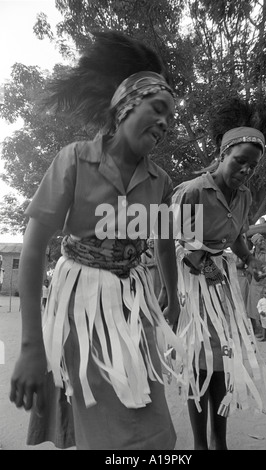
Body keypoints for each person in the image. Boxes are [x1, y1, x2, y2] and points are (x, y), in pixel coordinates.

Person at [9, 30, 183, 451]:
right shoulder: (74, 159)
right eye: (157, 108)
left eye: (170, 118)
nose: (164, 123)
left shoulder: (159, 181)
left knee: (156, 430)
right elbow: (33, 250)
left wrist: (172, 296)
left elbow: (162, 244)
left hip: (133, 311)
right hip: (82, 311)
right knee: (115, 436)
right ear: (125, 105)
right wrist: (31, 348)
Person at [166, 98, 266, 450]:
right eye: (239, 161)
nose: (245, 170)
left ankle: (219, 441)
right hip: (195, 287)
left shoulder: (243, 195)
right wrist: (216, 278)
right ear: (222, 154)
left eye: (252, 166)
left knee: (225, 359)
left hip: (218, 283)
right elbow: (181, 247)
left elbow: (237, 236)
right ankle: (199, 444)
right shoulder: (193, 192)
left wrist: (249, 261)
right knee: (199, 361)